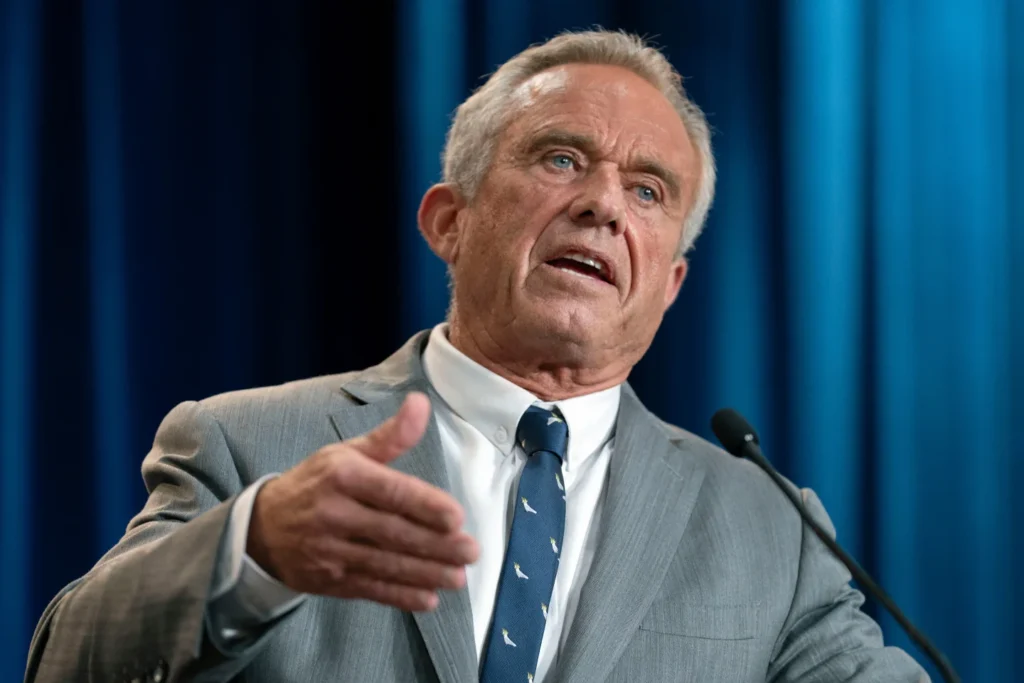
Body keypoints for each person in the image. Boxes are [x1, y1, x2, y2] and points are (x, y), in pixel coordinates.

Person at [25, 30, 928, 683]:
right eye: (563, 158)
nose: (605, 206)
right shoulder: (249, 443)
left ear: (671, 283)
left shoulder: (769, 525)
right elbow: (68, 661)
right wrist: (255, 548)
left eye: (649, 189)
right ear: (448, 222)